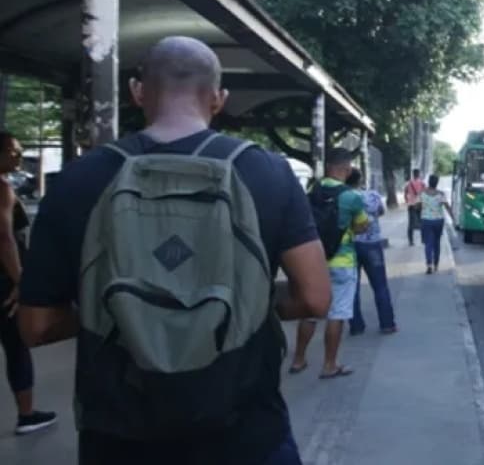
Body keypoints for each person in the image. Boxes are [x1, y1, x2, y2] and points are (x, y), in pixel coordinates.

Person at [18, 36, 331, 464]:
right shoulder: (268, 173)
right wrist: (229, 307)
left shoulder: (78, 180)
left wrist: (123, 313)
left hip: (120, 435)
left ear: (137, 92)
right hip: (245, 430)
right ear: (219, 99)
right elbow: (315, 297)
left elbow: (35, 326)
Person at [290, 148, 367, 379]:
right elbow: (362, 226)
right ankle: (329, 365)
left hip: (315, 260)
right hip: (342, 261)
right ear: (346, 169)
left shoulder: (314, 189)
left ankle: (298, 360)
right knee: (337, 314)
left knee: (310, 312)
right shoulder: (351, 197)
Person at [0, 131, 57, 435]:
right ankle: (26, 414)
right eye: (12, 150)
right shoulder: (2, 189)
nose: (18, 155)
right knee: (16, 345)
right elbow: (5, 238)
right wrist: (20, 280)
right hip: (4, 283)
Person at [347, 169, 396, 336]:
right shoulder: (373, 195)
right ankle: (387, 324)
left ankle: (356, 325)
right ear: (361, 180)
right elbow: (381, 211)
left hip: (352, 245)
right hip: (373, 244)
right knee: (380, 285)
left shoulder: (345, 197)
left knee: (352, 287)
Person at [419, 174, 452, 274]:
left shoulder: (422, 193)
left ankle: (429, 265)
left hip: (426, 220)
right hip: (438, 221)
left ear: (429, 182)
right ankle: (436, 264)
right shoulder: (441, 194)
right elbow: (446, 206)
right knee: (437, 243)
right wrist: (452, 217)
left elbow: (417, 205)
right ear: (436, 183)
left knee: (428, 243)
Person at [404, 169, 425, 246]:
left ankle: (411, 241)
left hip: (411, 205)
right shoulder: (422, 183)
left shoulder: (408, 183)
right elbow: (424, 194)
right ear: (418, 174)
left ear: (413, 174)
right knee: (422, 222)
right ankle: (423, 240)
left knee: (410, 224)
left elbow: (405, 193)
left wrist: (407, 201)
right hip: (419, 205)